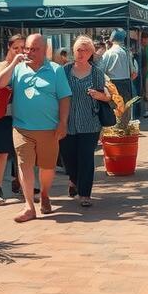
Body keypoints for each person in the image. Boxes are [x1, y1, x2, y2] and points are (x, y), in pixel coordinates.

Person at [0, 34, 71, 222]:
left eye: (34, 49)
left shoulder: (56, 70)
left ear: (44, 51)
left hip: (49, 129)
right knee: (24, 166)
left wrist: (63, 122)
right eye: (27, 48)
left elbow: (64, 98)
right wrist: (13, 64)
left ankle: (44, 195)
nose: (29, 52)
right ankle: (29, 206)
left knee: (47, 168)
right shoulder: (17, 69)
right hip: (22, 128)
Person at [60, 36, 112, 207]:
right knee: (68, 157)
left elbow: (108, 95)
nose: (81, 53)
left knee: (86, 158)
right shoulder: (64, 71)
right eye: (78, 50)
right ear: (73, 51)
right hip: (67, 122)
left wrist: (100, 96)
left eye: (85, 50)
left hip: (90, 122)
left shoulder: (96, 73)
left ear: (91, 53)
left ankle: (85, 194)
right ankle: (74, 179)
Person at [0, 34, 24, 205]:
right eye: (15, 48)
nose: (20, 51)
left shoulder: (26, 67)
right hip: (1, 116)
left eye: (23, 48)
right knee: (2, 152)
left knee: (22, 152)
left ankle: (21, 184)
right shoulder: (0, 66)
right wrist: (14, 63)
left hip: (21, 115)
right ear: (8, 49)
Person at [98, 28, 135, 113]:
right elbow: (133, 71)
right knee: (125, 110)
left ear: (112, 38)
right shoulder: (127, 52)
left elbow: (101, 70)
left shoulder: (109, 53)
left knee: (115, 110)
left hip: (113, 84)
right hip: (126, 83)